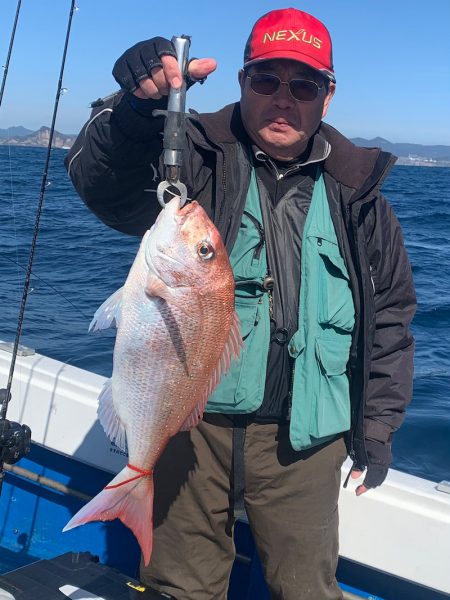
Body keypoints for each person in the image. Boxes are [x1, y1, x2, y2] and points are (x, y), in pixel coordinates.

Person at [65, 8, 416, 600]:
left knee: (306, 589)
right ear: (242, 83)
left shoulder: (361, 197)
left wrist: (378, 425)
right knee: (180, 587)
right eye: (266, 80)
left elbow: (391, 319)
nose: (284, 98)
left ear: (327, 98)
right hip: (192, 430)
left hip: (307, 442)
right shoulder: (193, 157)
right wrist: (132, 115)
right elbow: (102, 184)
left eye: (304, 84)